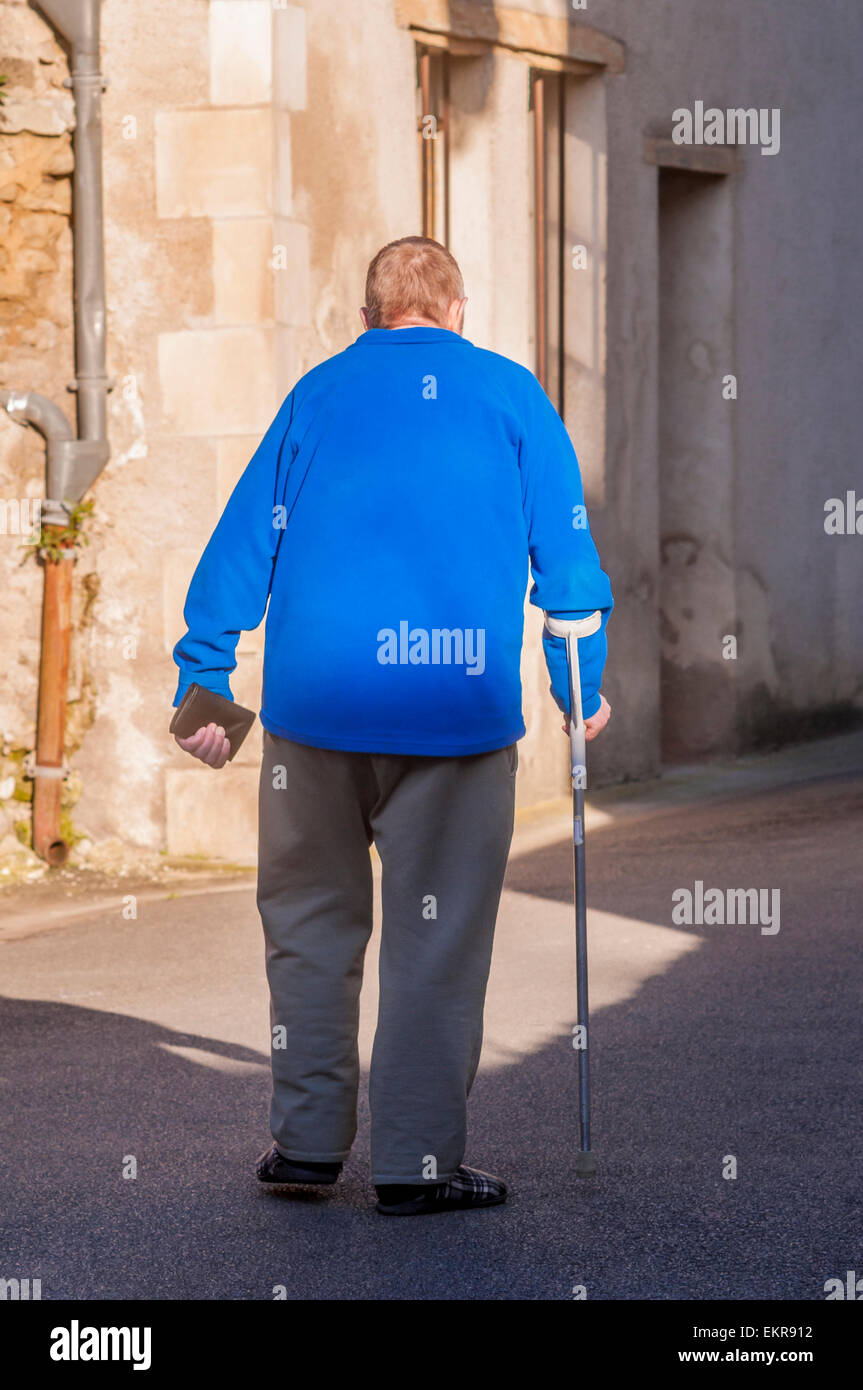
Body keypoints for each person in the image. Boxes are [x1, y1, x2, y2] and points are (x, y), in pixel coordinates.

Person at [172, 236, 613, 1216]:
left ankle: (304, 1146)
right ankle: (414, 1167)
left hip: (312, 716)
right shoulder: (510, 397)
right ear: (456, 309)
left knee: (308, 930)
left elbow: (240, 544)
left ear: (367, 314)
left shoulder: (314, 397)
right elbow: (569, 574)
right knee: (436, 940)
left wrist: (203, 681)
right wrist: (576, 689)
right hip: (451, 719)